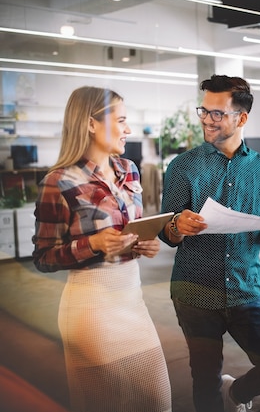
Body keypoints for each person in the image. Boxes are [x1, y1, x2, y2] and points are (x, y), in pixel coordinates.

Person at [158, 74, 260, 412]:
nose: (207, 120)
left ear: (241, 118)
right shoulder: (183, 167)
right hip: (195, 290)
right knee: (205, 379)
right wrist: (177, 225)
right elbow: (166, 233)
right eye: (204, 111)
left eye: (217, 113)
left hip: (244, 288)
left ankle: (236, 395)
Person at [32, 86, 172, 412]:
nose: (128, 129)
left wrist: (142, 244)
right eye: (121, 120)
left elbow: (129, 231)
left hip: (133, 303)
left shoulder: (130, 170)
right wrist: (92, 244)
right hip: (91, 314)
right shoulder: (59, 181)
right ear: (91, 124)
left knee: (158, 402)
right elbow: (43, 257)